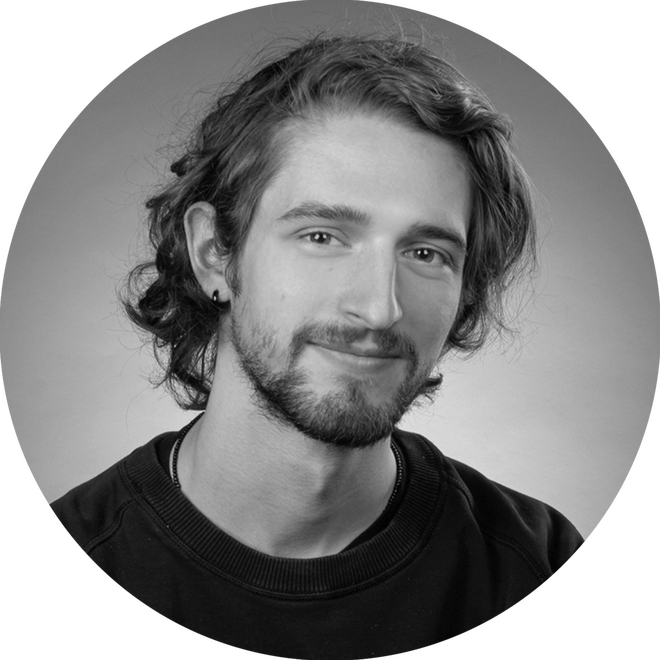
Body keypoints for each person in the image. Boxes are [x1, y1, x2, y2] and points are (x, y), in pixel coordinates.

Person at [49, 34, 585, 658]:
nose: (380, 308)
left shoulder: (537, 566)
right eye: (322, 236)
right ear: (214, 253)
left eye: (425, 253)